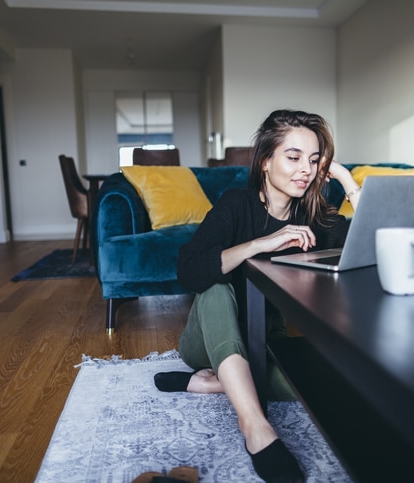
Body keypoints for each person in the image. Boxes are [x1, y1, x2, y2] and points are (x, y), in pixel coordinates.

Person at [153, 109, 362, 482]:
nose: (306, 170)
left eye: (314, 160)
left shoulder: (313, 216)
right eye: (294, 157)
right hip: (206, 339)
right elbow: (189, 268)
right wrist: (259, 244)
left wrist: (346, 180)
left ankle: (211, 383)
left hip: (266, 343)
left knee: (323, 386)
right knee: (215, 283)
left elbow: (371, 243)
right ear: (266, 161)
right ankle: (255, 427)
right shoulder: (237, 204)